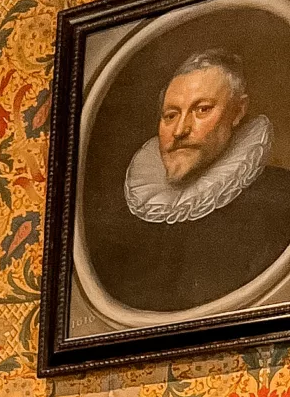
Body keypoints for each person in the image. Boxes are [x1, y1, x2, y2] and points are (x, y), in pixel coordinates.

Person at [90, 47, 290, 317]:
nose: (180, 130)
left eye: (202, 109)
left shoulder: (280, 198)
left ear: (238, 111)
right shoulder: (118, 223)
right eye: (170, 115)